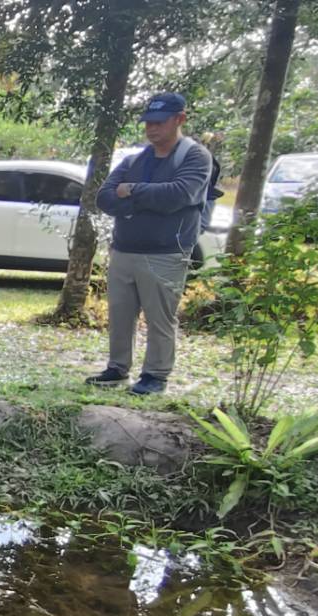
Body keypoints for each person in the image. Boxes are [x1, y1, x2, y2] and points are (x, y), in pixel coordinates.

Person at [89, 93, 212, 396]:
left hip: (165, 252)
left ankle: (156, 375)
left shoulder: (195, 157)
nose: (152, 128)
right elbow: (104, 197)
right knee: (120, 315)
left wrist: (131, 191)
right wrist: (146, 198)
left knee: (160, 318)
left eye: (159, 122)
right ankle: (117, 368)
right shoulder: (135, 159)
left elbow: (179, 195)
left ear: (179, 119)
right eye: (148, 123)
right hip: (124, 249)